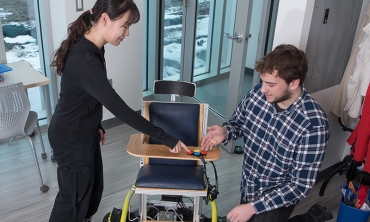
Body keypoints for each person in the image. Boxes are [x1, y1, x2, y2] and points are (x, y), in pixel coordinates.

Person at [48, 1, 189, 221]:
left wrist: (96, 124)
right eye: (125, 25)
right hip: (71, 138)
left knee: (91, 194)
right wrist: (165, 138)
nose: (128, 33)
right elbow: (121, 109)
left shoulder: (94, 47)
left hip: (83, 132)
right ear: (105, 19)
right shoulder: (84, 58)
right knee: (72, 201)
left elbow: (85, 94)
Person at [201, 44, 331, 222]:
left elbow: (299, 185)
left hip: (276, 200)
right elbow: (238, 123)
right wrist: (225, 131)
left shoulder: (313, 125)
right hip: (249, 184)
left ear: (294, 83)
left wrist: (252, 207)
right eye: (262, 82)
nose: (263, 89)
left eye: (270, 84)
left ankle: (312, 217)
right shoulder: (257, 95)